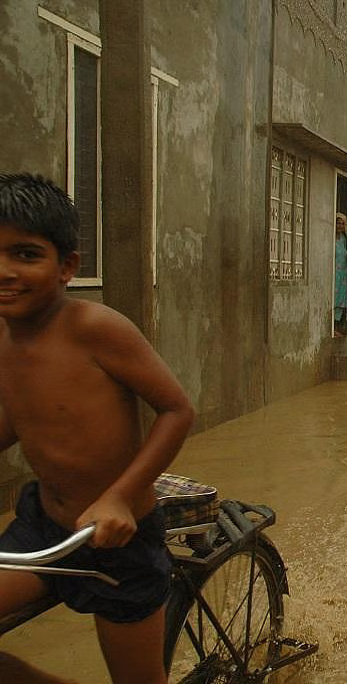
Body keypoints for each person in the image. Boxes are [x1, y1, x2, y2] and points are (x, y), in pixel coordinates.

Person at [0, 173, 195, 684]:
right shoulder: (4, 337)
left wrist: (120, 498)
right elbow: (22, 418)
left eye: (25, 254)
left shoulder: (94, 327)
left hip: (118, 541)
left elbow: (176, 411)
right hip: (43, 528)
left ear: (67, 266)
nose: (5, 271)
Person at [333, 212, 347, 338]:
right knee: (334, 298)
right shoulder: (331, 239)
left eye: (342, 224)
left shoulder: (344, 239)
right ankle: (332, 328)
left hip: (343, 275)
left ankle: (336, 327)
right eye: (338, 223)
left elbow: (344, 254)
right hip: (334, 274)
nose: (340, 226)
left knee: (341, 300)